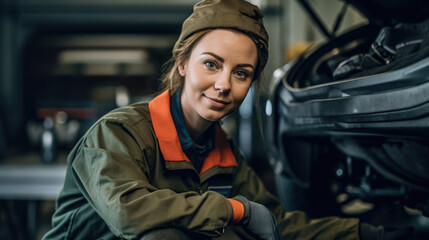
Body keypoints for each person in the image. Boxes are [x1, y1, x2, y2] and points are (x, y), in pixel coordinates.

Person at [42, 0, 414, 239]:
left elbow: (275, 224)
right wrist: (233, 208)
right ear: (183, 63)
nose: (223, 85)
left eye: (242, 73)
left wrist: (369, 234)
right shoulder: (118, 133)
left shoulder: (221, 151)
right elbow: (129, 214)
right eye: (211, 64)